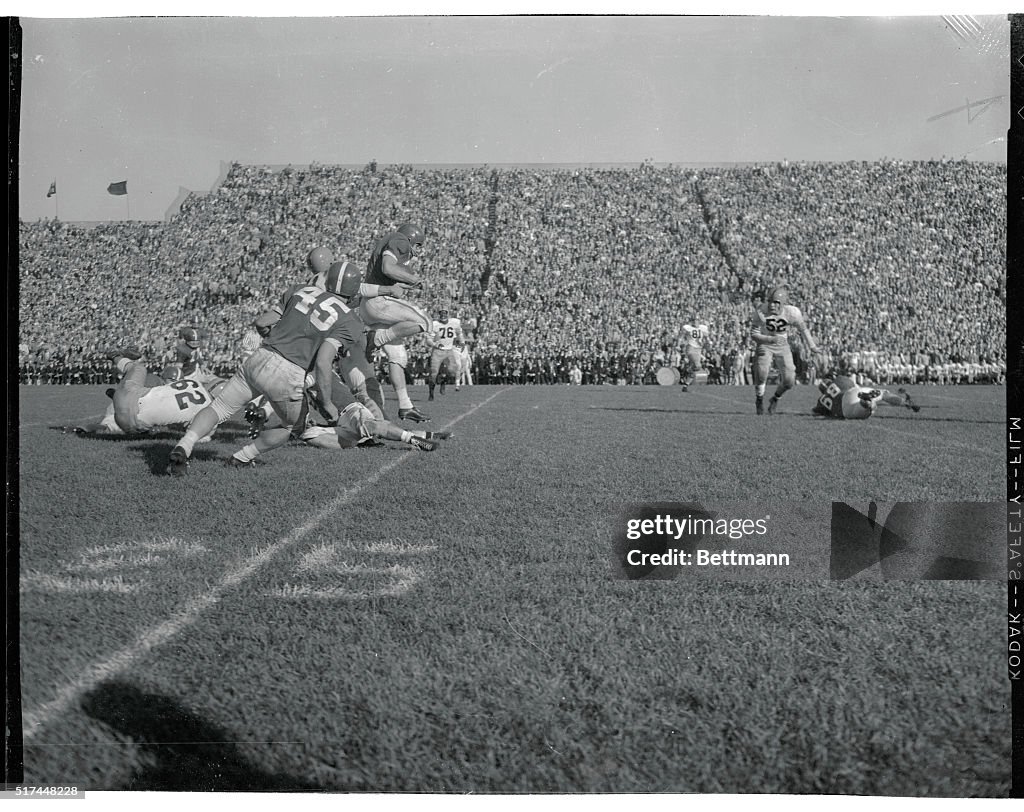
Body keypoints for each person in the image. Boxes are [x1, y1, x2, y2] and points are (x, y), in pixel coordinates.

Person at [166, 260, 373, 475]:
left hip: (261, 356)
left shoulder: (302, 290)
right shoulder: (351, 321)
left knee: (219, 408)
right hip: (291, 372)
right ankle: (242, 457)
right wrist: (328, 403)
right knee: (291, 427)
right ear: (355, 289)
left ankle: (185, 444)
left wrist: (271, 336)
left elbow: (262, 322)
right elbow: (323, 361)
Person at [359, 223, 432, 422]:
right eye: (418, 246)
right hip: (377, 301)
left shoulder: (392, 243)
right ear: (411, 239)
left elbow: (387, 276)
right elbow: (388, 267)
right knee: (425, 322)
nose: (417, 251)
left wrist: (404, 284)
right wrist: (415, 279)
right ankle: (377, 338)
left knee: (397, 355)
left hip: (372, 304)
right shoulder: (400, 240)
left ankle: (405, 405)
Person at [66, 350, 226, 437]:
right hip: (133, 425)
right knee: (113, 428)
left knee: (138, 368)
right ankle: (87, 428)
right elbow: (195, 433)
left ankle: (116, 357)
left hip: (128, 398)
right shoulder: (206, 409)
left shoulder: (192, 383)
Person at [750, 285, 823, 415]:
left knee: (789, 381)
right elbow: (754, 335)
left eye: (776, 303)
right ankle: (759, 399)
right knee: (762, 372)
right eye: (770, 302)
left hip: (783, 345)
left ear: (783, 303)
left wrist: (812, 346)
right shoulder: (761, 311)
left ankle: (775, 398)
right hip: (766, 343)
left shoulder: (792, 313)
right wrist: (769, 339)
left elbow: (803, 329)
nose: (772, 306)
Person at [812, 375, 920, 420]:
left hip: (843, 410)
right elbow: (854, 385)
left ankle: (866, 403)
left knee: (861, 410)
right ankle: (904, 402)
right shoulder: (839, 379)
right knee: (883, 393)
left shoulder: (821, 400)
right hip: (851, 393)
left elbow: (815, 412)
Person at [426, 306, 464, 401]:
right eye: (441, 313)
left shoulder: (454, 322)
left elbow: (459, 333)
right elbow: (428, 339)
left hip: (449, 350)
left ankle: (443, 382)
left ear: (448, 314)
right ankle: (431, 394)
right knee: (434, 373)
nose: (443, 315)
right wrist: (435, 344)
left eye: (445, 313)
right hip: (438, 351)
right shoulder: (434, 324)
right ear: (439, 314)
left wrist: (462, 342)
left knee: (452, 371)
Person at [678, 321, 709, 390]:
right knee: (697, 365)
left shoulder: (702, 328)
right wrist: (679, 344)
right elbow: (682, 335)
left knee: (696, 368)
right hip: (691, 348)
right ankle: (688, 369)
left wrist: (706, 335)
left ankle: (685, 385)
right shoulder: (689, 328)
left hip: (698, 349)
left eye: (697, 321)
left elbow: (706, 336)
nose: (695, 323)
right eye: (694, 321)